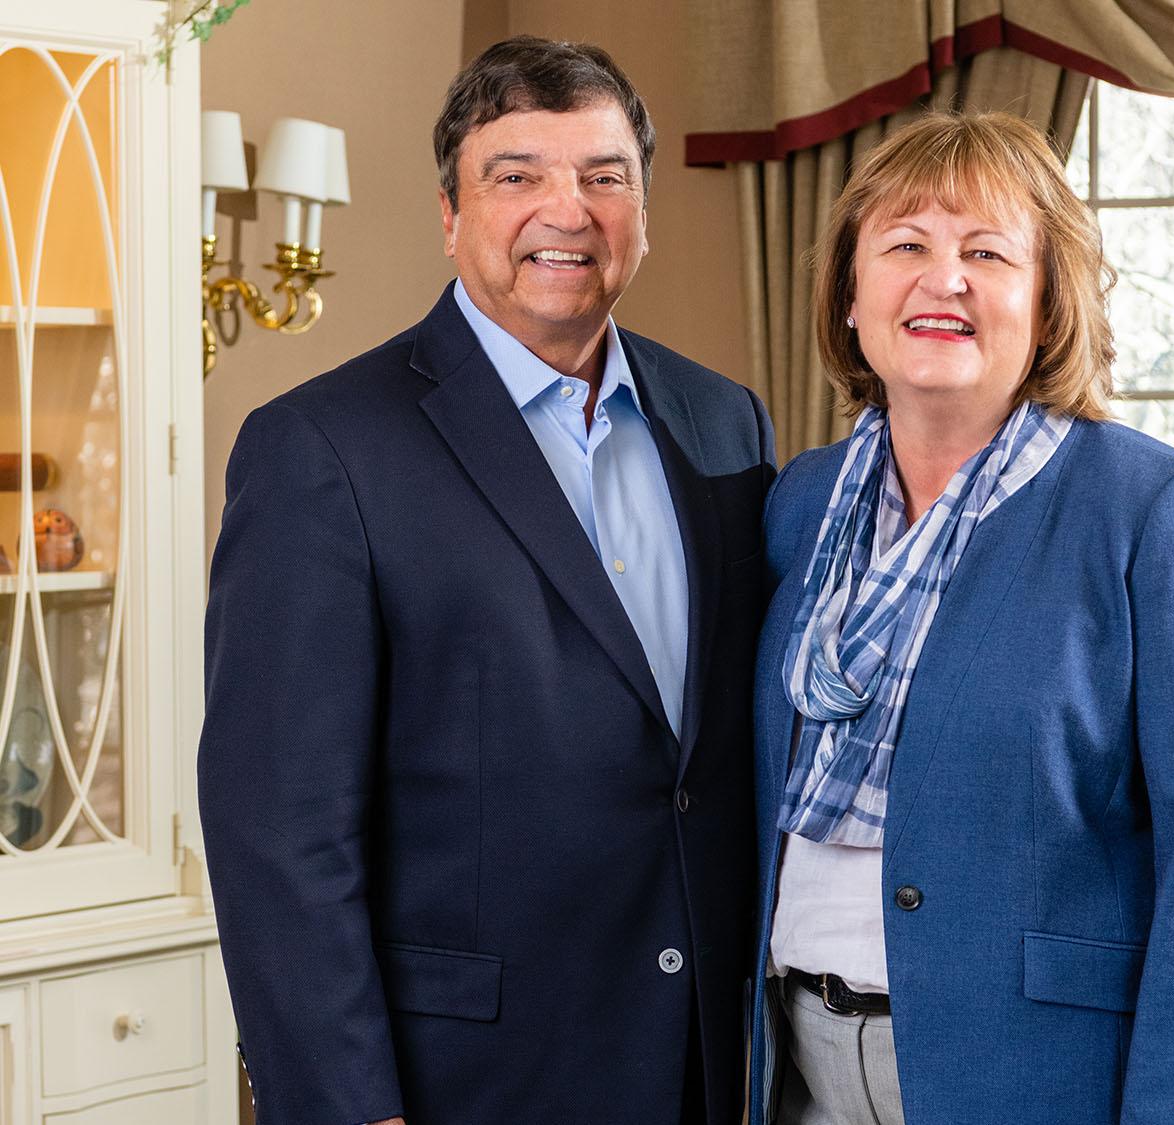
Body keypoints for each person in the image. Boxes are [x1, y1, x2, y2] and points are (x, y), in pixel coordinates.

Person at [199, 36, 774, 1125]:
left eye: (606, 177)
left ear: (643, 213)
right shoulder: (320, 450)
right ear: (451, 215)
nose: (568, 210)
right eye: (516, 175)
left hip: (701, 1062)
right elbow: (277, 833)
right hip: (461, 1081)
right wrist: (347, 1105)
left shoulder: (725, 423)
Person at [747, 111, 1174, 1125]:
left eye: (986, 252)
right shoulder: (798, 506)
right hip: (796, 1072)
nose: (943, 279)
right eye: (905, 246)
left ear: (1045, 305)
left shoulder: (1152, 507)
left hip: (1033, 1079)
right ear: (851, 297)